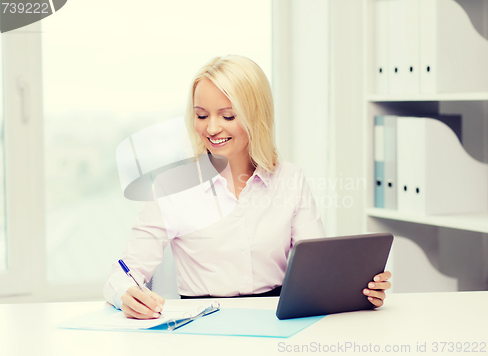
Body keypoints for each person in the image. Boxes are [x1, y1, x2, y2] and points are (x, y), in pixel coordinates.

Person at [103, 55, 392, 319]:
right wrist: (125, 294)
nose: (212, 128)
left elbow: (318, 271)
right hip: (204, 329)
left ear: (257, 116)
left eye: (228, 116)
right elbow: (123, 273)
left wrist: (362, 293)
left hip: (280, 323)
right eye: (202, 115)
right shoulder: (172, 187)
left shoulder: (290, 178)